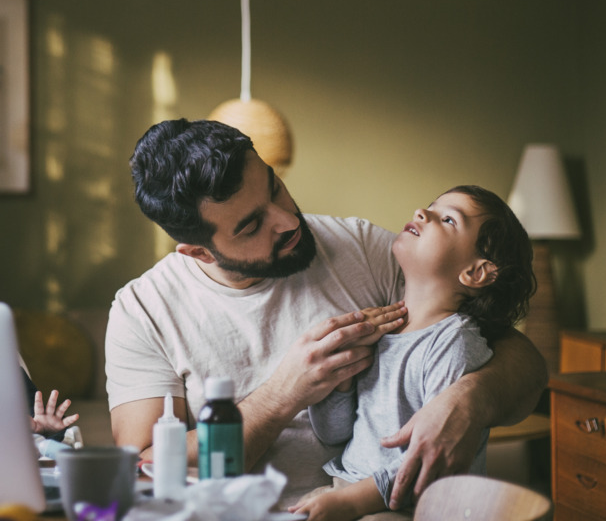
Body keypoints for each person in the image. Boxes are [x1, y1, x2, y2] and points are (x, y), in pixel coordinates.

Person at [106, 119, 547, 509]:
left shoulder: (363, 249)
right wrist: (284, 394)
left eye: (275, 187)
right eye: (252, 225)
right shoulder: (142, 310)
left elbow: (517, 360)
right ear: (199, 251)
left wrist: (470, 399)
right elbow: (145, 465)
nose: (288, 221)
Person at [290, 185, 534, 520]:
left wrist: (350, 503)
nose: (423, 212)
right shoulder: (383, 330)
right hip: (346, 489)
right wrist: (342, 382)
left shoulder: (453, 344)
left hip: (410, 506)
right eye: (432, 206)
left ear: (476, 272)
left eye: (448, 219)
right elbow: (335, 434)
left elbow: (429, 464)